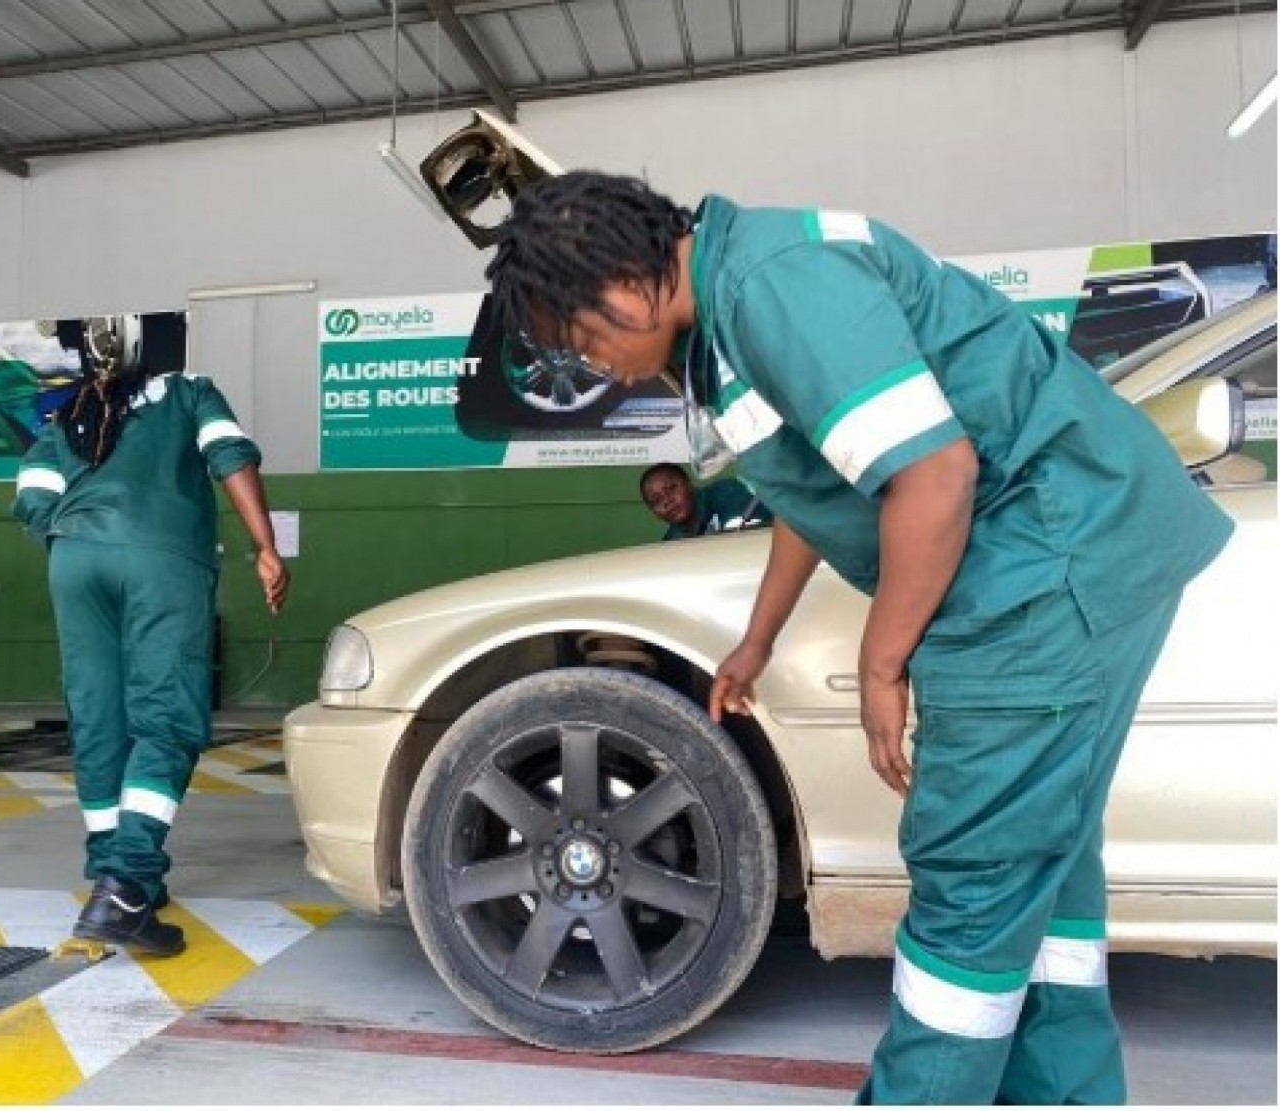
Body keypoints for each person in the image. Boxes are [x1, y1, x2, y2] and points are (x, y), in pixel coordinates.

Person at [483, 171, 1232, 1104]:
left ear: (627, 277)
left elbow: (932, 474)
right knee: (1042, 859)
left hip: (1045, 569)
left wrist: (883, 664)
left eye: (587, 336)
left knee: (976, 869)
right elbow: (820, 481)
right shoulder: (733, 306)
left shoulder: (775, 286)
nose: (597, 365)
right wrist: (758, 639)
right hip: (1075, 551)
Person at [12, 314, 289, 957]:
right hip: (161, 559)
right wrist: (266, 547)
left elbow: (32, 497)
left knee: (99, 719)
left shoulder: (71, 414)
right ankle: (128, 888)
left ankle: (111, 870)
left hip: (73, 561)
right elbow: (231, 456)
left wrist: (77, 538)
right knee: (165, 717)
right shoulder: (190, 390)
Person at [639, 462, 772, 540]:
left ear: (689, 484)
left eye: (671, 488)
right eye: (656, 500)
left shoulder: (728, 494)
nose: (667, 501)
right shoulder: (672, 541)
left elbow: (750, 542)